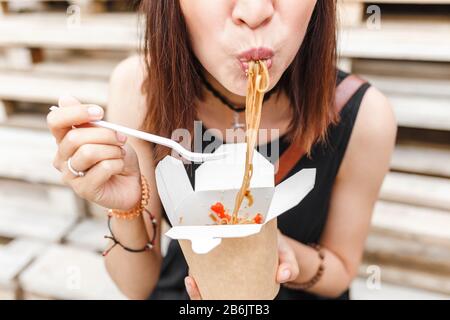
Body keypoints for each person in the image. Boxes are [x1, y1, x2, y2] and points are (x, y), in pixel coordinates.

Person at [46, 0, 396, 300]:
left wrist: (285, 257)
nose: (255, 11)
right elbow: (139, 286)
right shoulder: (140, 89)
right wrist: (125, 210)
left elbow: (342, 271)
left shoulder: (362, 114)